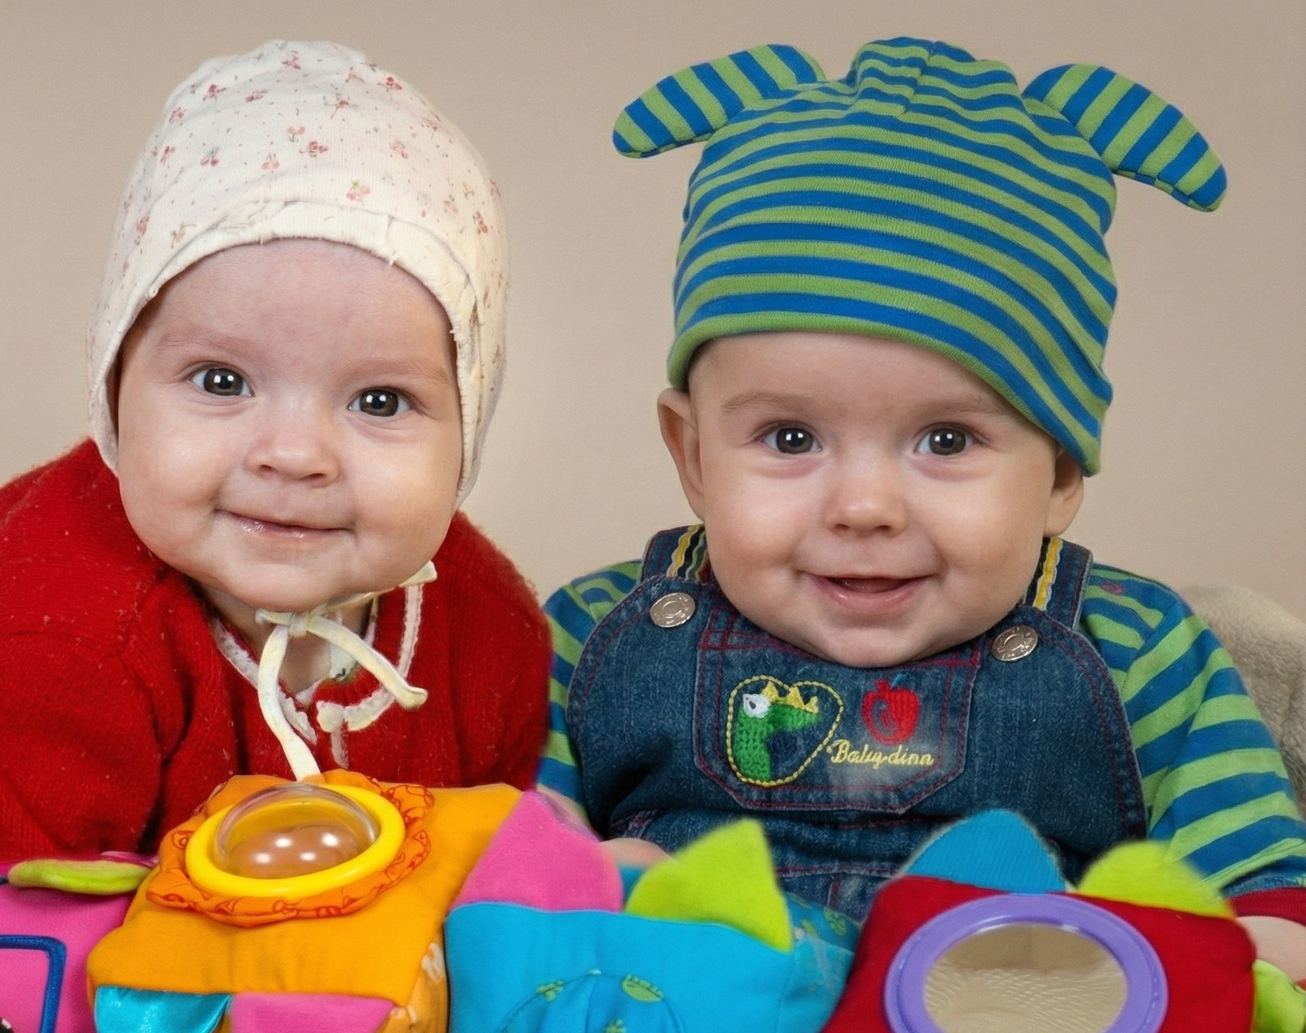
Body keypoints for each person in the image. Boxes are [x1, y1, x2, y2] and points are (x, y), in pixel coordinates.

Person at [0, 40, 548, 881]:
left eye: (379, 402)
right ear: (114, 385)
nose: (292, 454)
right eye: (223, 379)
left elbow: (468, 911)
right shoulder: (42, 637)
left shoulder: (488, 632)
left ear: (468, 421)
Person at [536, 37, 1306, 972]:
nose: (864, 508)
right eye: (790, 438)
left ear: (1061, 475)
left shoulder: (1139, 649)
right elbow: (498, 872)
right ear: (693, 455)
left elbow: (1258, 898)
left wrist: (1247, 963)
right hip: (679, 1020)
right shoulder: (589, 634)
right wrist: (569, 881)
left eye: (946, 440)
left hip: (997, 1023)